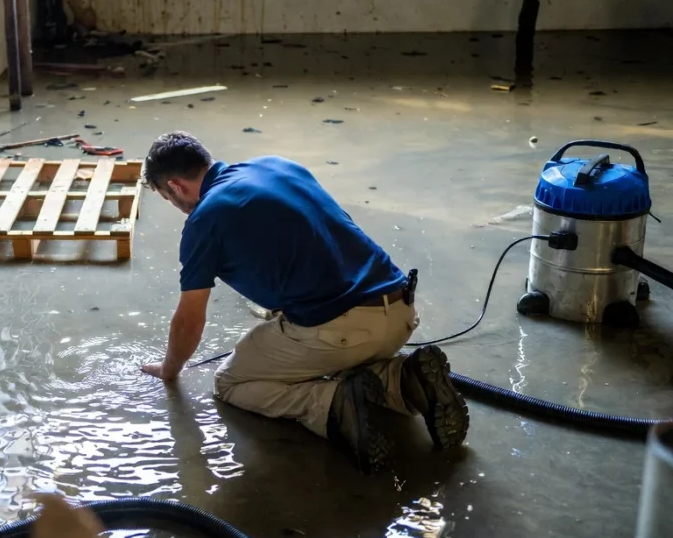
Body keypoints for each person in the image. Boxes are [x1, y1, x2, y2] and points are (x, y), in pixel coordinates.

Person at [139, 132, 469, 472]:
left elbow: (190, 321)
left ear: (176, 186)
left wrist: (169, 369)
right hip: (401, 311)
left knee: (231, 382)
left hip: (342, 330)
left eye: (167, 197)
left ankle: (334, 404)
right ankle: (406, 380)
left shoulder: (204, 221)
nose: (174, 205)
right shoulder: (275, 166)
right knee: (325, 352)